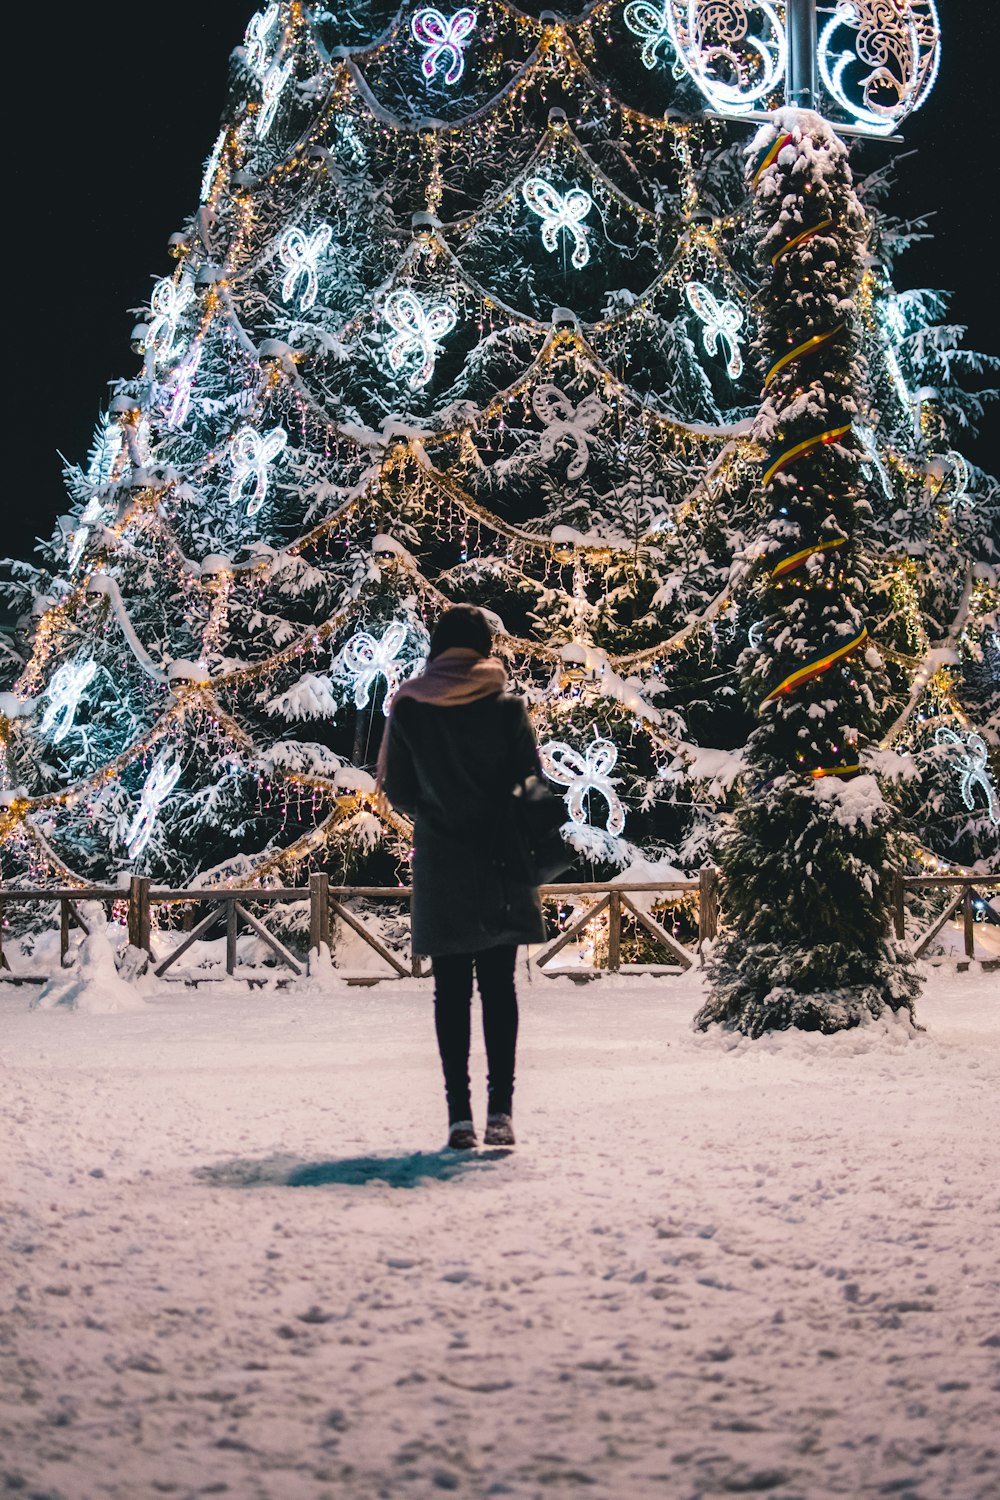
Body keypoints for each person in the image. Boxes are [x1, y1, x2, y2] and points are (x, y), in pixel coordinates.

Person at [379, 605, 546, 1150]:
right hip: (501, 863)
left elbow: (398, 790)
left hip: (443, 862)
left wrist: (438, 804)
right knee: (499, 988)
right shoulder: (508, 710)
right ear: (483, 648)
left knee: (450, 992)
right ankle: (501, 1112)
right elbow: (532, 785)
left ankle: (458, 1117)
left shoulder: (409, 710)